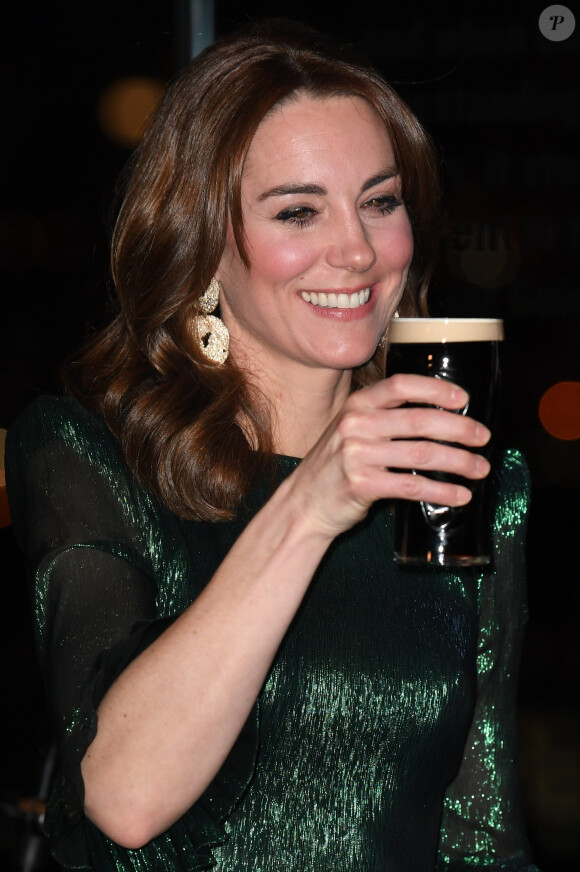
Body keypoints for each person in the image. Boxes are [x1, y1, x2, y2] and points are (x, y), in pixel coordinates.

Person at [6, 20, 537, 872]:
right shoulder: (86, 454)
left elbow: (482, 834)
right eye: (298, 210)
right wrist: (311, 506)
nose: (358, 251)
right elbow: (121, 797)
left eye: (380, 201)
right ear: (202, 242)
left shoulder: (466, 482)